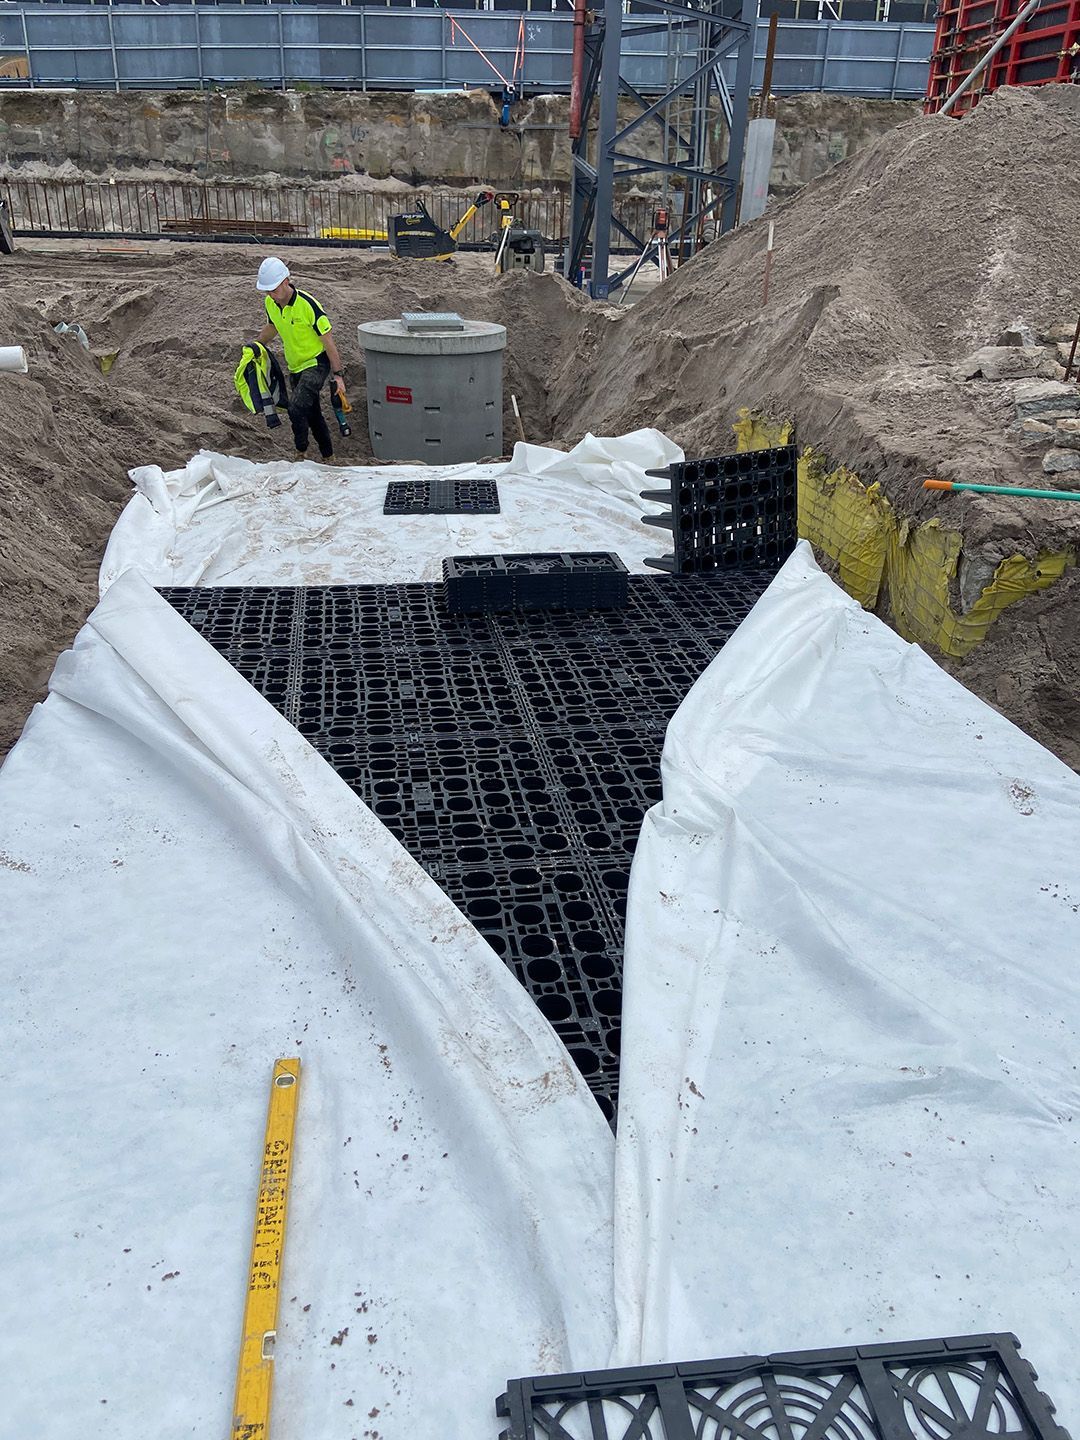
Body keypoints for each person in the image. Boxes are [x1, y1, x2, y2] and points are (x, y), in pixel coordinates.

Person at [254, 256, 346, 463]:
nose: (271, 295)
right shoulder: (270, 302)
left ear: (286, 281)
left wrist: (338, 375)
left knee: (295, 408)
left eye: (274, 289)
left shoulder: (308, 305)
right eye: (267, 291)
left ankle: (300, 453)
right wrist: (257, 345)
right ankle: (328, 456)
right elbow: (273, 326)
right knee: (313, 414)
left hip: (316, 363)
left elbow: (329, 342)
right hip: (295, 366)